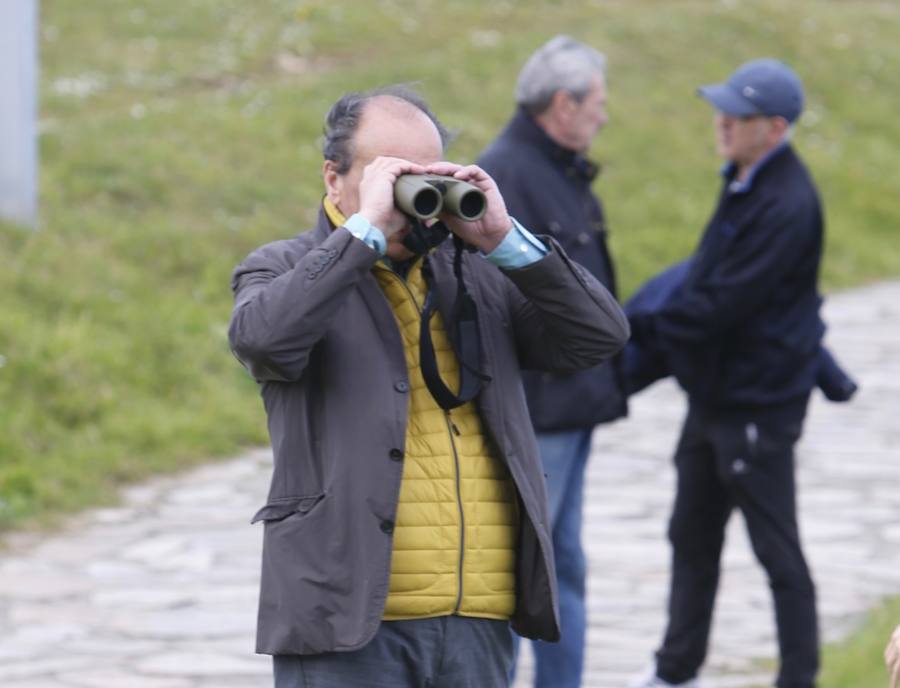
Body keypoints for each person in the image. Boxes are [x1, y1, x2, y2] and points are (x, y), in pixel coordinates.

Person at [228, 85, 630, 687]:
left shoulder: (478, 276)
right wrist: (362, 235)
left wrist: (503, 239)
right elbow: (264, 341)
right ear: (334, 177)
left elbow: (598, 336)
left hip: (477, 617)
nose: (409, 196)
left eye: (425, 176)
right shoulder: (284, 268)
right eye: (391, 174)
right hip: (351, 621)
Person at [626, 59, 826, 688]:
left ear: (772, 127)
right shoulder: (743, 177)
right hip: (715, 398)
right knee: (690, 533)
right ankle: (674, 671)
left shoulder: (788, 202)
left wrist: (645, 334)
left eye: (735, 117)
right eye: (720, 111)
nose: (721, 123)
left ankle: (799, 677)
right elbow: (706, 277)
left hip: (756, 407)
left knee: (776, 549)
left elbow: (723, 303)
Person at [477, 35, 625, 688]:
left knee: (563, 563)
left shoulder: (557, 169)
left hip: (572, 407)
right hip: (539, 411)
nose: (604, 115)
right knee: (524, 570)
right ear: (562, 105)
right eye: (596, 103)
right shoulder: (508, 174)